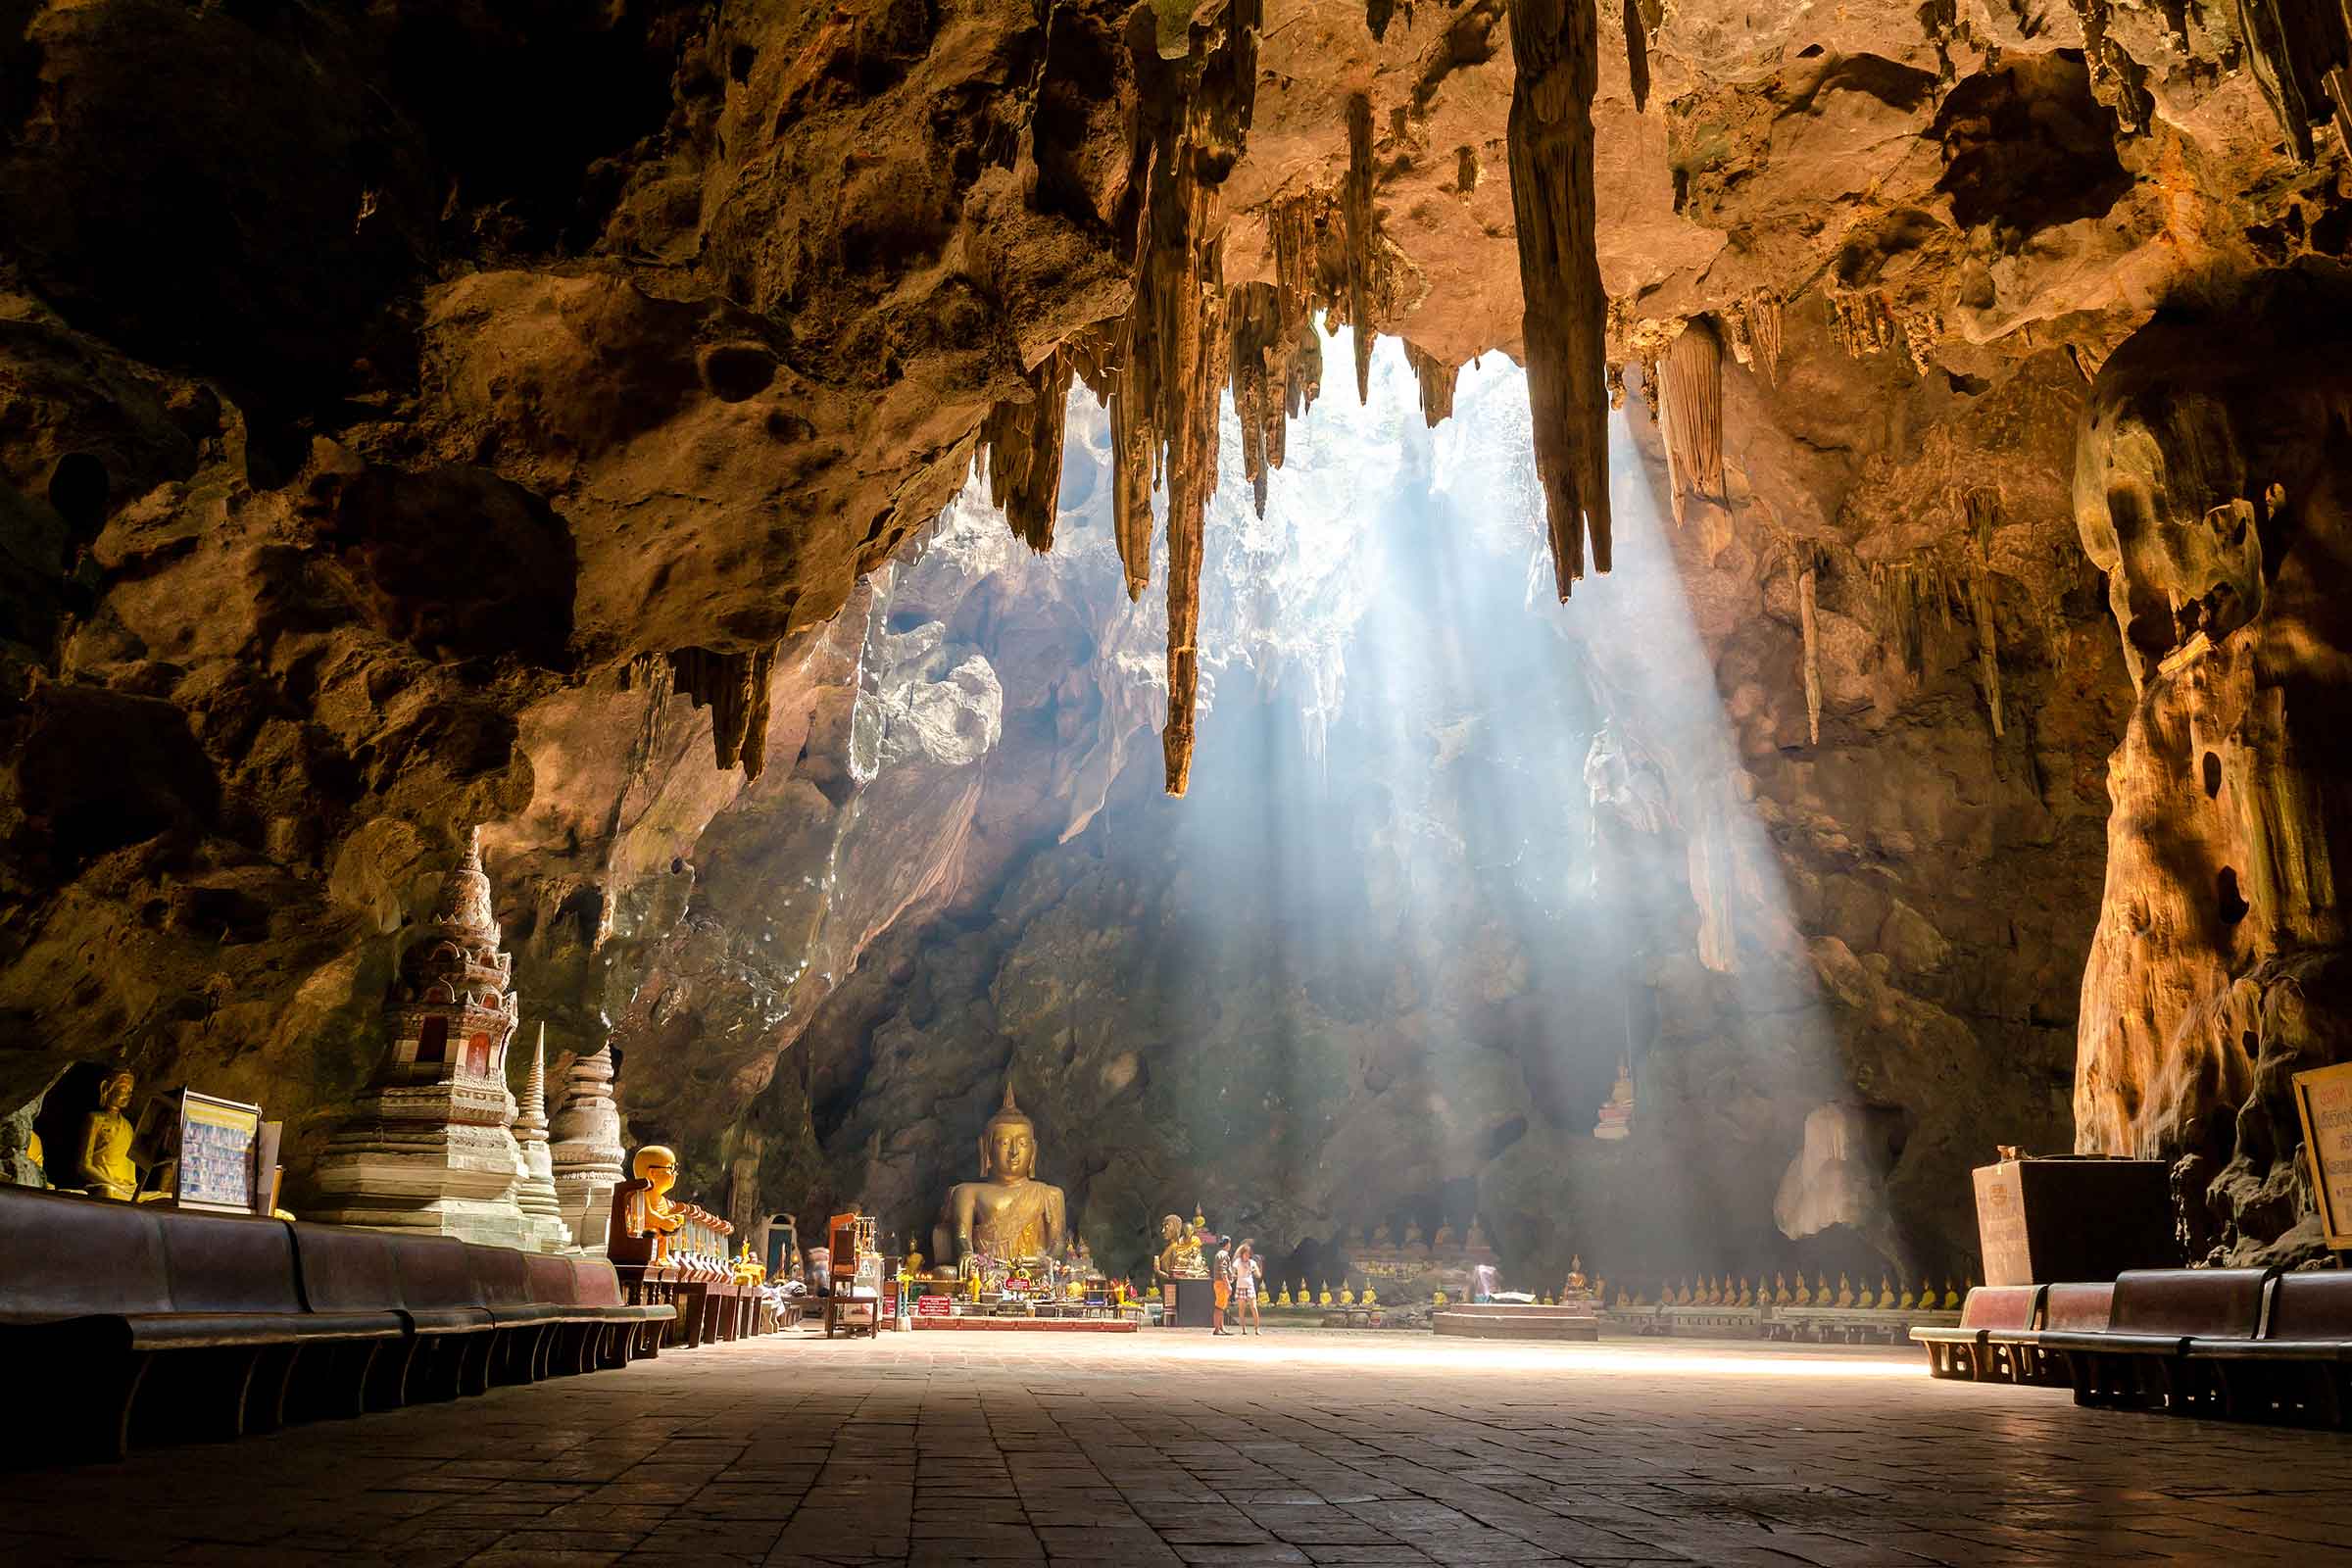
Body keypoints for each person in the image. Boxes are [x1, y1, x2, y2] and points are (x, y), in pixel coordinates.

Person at [1230, 1240, 1265, 1336]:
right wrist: (1233, 1276)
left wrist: (1257, 1270)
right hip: (1240, 1287)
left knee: (1254, 1307)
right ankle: (1243, 1329)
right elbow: (1233, 1272)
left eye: (1248, 1254)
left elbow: (1258, 1275)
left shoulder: (1252, 1262)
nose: (1246, 1256)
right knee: (1241, 1309)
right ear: (1242, 1254)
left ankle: (1257, 1329)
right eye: (1245, 1254)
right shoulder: (1237, 1262)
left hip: (1250, 1287)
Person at [1211, 1243, 1232, 1335]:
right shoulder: (1224, 1255)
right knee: (1219, 1307)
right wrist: (1228, 1284)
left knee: (1221, 1306)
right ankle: (1216, 1329)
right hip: (1222, 1283)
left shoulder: (1219, 1254)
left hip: (1219, 1282)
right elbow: (1223, 1271)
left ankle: (1221, 1327)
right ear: (1227, 1244)